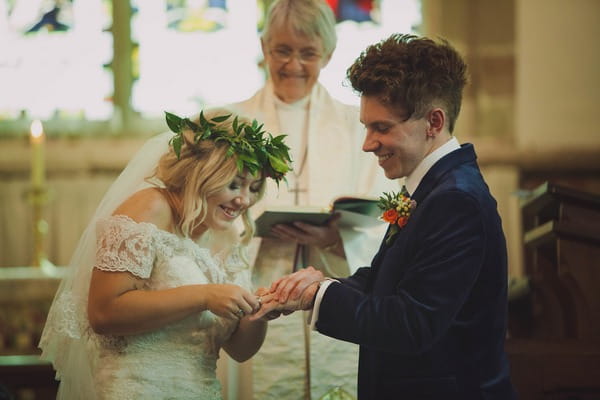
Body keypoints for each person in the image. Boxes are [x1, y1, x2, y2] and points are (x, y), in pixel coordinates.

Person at [253, 33, 518, 399]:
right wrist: (311, 290)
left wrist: (319, 297)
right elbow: (388, 283)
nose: (367, 143)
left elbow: (413, 323)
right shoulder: (434, 188)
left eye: (382, 127)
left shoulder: (456, 200)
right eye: (366, 126)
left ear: (434, 122)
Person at [38, 109, 292, 399]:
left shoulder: (229, 235)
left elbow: (240, 350)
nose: (244, 199)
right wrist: (205, 296)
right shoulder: (149, 208)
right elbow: (103, 313)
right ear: (202, 173)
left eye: (254, 188)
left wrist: (259, 313)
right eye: (234, 184)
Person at [222, 0, 394, 398]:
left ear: (328, 55)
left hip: (334, 280)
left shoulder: (356, 127)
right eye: (282, 50)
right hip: (259, 281)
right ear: (264, 48)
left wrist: (335, 237)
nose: (293, 64)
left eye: (308, 53)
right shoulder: (234, 125)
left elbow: (381, 213)